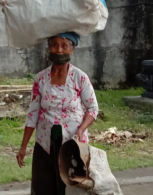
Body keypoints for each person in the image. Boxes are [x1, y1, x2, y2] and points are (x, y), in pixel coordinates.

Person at [16, 32, 99, 195]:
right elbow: (33, 114)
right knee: (44, 186)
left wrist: (81, 129)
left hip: (72, 143)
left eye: (64, 45)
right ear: (49, 48)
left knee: (70, 187)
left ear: (72, 50)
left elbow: (92, 109)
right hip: (45, 143)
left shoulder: (79, 78)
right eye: (54, 44)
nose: (59, 49)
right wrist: (23, 146)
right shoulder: (40, 78)